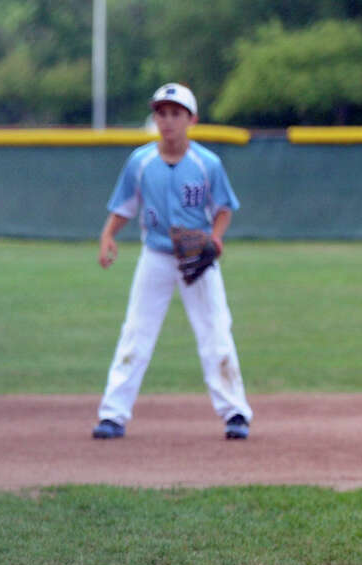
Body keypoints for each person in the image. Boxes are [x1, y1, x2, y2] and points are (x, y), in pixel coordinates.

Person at [92, 82, 251, 440]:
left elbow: (224, 208)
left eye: (175, 114)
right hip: (156, 257)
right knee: (135, 334)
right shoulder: (141, 161)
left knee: (215, 334)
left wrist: (215, 237)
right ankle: (113, 415)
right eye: (161, 113)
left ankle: (236, 413)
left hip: (198, 259)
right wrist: (107, 236)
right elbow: (125, 206)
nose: (167, 121)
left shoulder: (207, 163)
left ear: (191, 119)